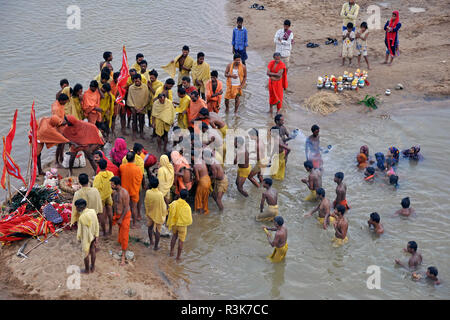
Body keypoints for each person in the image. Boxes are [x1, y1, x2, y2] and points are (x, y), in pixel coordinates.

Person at [110, 176, 132, 266]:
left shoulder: (125, 193)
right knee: (120, 232)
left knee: (124, 236)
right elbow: (114, 205)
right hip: (118, 215)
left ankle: (123, 256)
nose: (111, 185)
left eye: (112, 184)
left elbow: (126, 207)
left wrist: (121, 219)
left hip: (124, 216)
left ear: (117, 185)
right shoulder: (114, 193)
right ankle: (120, 243)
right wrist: (114, 215)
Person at [119, 151, 143, 228]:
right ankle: (134, 224)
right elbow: (140, 179)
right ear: (134, 159)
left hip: (125, 191)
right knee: (134, 207)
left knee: (126, 207)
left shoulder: (122, 167)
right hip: (134, 190)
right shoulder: (138, 169)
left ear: (126, 158)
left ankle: (126, 221)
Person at [75, 199, 99, 274]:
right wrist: (96, 235)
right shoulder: (92, 211)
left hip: (86, 237)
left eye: (76, 207)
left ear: (80, 207)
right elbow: (96, 223)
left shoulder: (82, 217)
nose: (76, 209)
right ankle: (93, 267)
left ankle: (87, 270)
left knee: (85, 253)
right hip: (93, 234)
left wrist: (79, 238)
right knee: (93, 250)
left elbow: (82, 231)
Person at [167, 189, 193, 260]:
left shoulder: (174, 203)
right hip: (182, 226)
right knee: (181, 241)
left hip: (175, 224)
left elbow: (170, 210)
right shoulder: (187, 207)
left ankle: (171, 252)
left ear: (179, 195)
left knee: (174, 237)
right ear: (187, 197)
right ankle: (178, 257)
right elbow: (189, 219)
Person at [144, 176, 168, 251]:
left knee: (150, 228)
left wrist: (148, 211)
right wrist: (165, 212)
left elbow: (146, 202)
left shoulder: (148, 192)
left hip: (150, 213)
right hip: (158, 214)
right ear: (158, 185)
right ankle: (156, 247)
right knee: (158, 231)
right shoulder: (160, 194)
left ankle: (151, 241)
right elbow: (163, 205)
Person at [93, 159, 114, 237]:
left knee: (101, 214)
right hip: (108, 195)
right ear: (106, 166)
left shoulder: (98, 177)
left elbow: (95, 189)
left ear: (99, 166)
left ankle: (104, 232)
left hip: (100, 197)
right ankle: (110, 229)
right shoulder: (111, 174)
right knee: (110, 212)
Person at [127, 74, 150, 139]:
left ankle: (141, 133)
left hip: (142, 106)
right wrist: (134, 107)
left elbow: (146, 98)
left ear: (140, 80)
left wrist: (142, 107)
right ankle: (134, 133)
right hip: (134, 107)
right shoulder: (131, 88)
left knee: (141, 120)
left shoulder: (145, 87)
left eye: (138, 81)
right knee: (134, 121)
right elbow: (130, 98)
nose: (137, 82)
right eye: (135, 81)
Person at [193, 149, 211, 214]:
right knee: (205, 198)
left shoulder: (195, 166)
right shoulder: (203, 161)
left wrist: (193, 181)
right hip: (208, 180)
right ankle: (205, 211)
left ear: (193, 157)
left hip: (203, 182)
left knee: (199, 198)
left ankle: (200, 214)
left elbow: (197, 179)